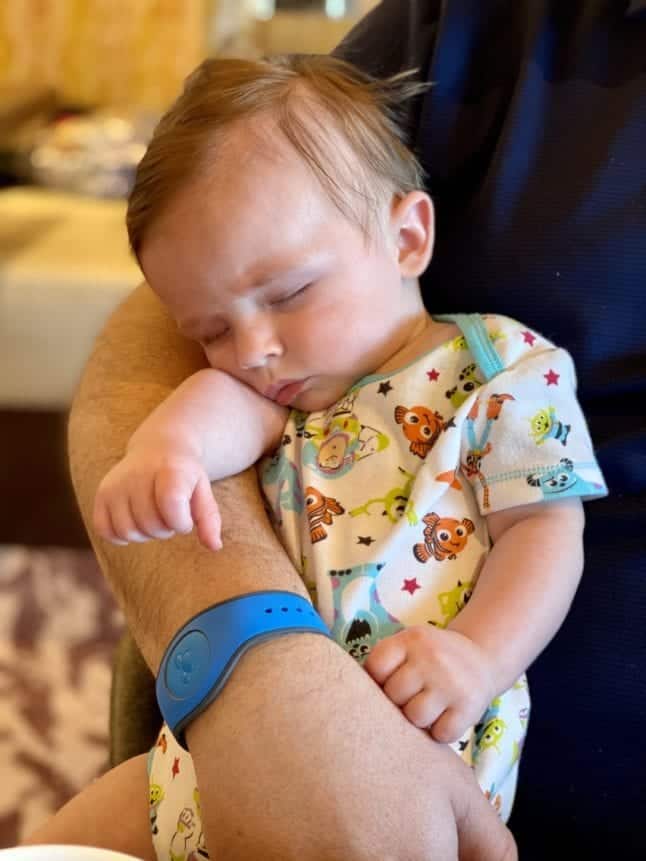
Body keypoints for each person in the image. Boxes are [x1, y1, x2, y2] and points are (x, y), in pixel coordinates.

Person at [44, 1, 645, 859]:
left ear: (407, 236)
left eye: (288, 294)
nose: (251, 349)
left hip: (419, 760)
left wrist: (475, 660)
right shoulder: (288, 387)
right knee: (61, 837)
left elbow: (546, 530)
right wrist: (168, 448)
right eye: (212, 327)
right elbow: (222, 412)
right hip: (245, 749)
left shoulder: (503, 370)